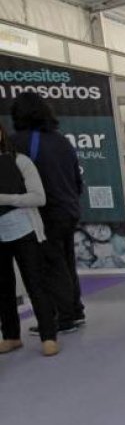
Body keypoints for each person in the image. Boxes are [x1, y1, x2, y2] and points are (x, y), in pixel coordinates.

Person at [8, 92, 85, 334]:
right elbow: (77, 179)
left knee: (50, 265)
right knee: (66, 261)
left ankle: (63, 317)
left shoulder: (18, 142)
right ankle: (73, 310)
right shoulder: (61, 140)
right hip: (68, 208)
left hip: (45, 212)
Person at [0, 124, 58, 356]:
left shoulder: (20, 160)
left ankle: (48, 335)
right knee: (3, 287)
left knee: (35, 282)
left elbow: (38, 197)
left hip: (25, 230)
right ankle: (12, 335)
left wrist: (5, 198)